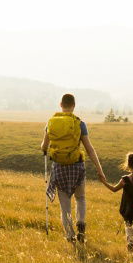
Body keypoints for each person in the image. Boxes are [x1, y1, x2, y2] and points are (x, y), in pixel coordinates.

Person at [40, 93, 107, 243]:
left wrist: (46, 149)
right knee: (81, 198)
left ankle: (70, 236)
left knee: (65, 206)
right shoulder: (79, 123)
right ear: (74, 106)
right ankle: (81, 223)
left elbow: (44, 146)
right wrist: (99, 169)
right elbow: (89, 149)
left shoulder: (50, 123)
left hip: (59, 168)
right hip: (77, 166)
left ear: (60, 104)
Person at [101, 152, 133, 255]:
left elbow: (114, 189)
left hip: (127, 209)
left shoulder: (124, 180)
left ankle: (129, 242)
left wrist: (104, 182)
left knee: (128, 226)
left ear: (128, 165)